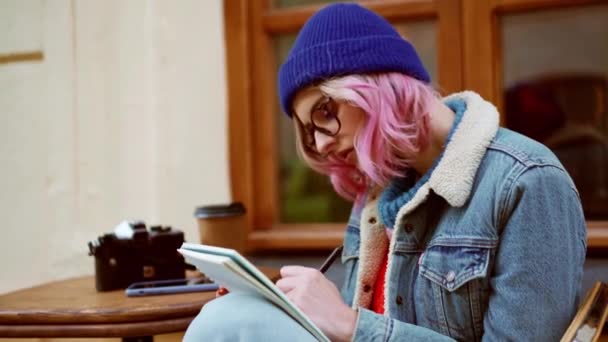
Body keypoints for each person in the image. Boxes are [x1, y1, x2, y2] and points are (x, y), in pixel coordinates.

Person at [184, 3, 586, 341]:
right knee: (232, 316)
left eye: (324, 113)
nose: (321, 144)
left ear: (377, 87)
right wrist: (284, 309)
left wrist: (350, 324)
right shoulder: (380, 193)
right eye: (309, 130)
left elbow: (359, 328)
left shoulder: (527, 181)